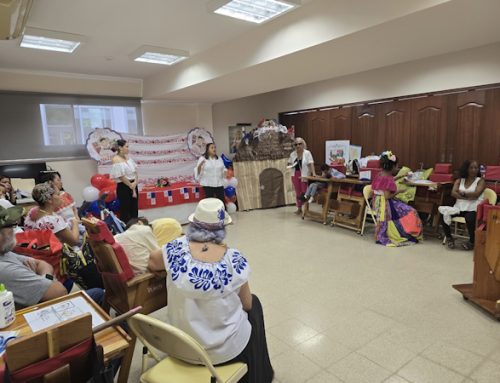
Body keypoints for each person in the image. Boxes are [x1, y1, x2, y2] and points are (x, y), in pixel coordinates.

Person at [148, 198, 273, 383]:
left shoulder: (173, 249)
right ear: (223, 228)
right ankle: (260, 375)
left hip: (179, 345)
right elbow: (246, 304)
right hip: (222, 354)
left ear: (193, 224)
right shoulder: (233, 259)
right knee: (255, 305)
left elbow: (152, 261)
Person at [0, 205, 103, 309]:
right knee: (98, 292)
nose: (14, 230)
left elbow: (43, 264)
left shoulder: (4, 252)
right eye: (11, 226)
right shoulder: (5, 270)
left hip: (44, 293)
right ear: (50, 200)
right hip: (40, 314)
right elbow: (60, 292)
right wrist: (75, 223)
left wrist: (43, 277)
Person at [24, 182, 103, 290]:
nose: (61, 196)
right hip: (64, 263)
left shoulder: (33, 214)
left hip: (47, 260)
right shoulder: (52, 220)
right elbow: (74, 241)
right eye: (58, 194)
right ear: (49, 200)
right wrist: (75, 222)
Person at [371, 151, 423, 247]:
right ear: (393, 167)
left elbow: (387, 182)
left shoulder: (380, 174)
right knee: (411, 211)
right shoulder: (388, 178)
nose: (397, 168)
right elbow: (387, 196)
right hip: (384, 204)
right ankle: (406, 232)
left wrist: (401, 176)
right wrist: (399, 191)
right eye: (396, 166)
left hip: (377, 201)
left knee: (403, 207)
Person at [439, 160, 485, 250]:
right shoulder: (459, 180)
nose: (474, 170)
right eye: (471, 168)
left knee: (470, 219)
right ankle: (449, 238)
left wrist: (462, 194)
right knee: (443, 213)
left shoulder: (480, 181)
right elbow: (453, 193)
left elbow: (476, 194)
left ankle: (472, 241)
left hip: (473, 208)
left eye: (476, 168)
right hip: (459, 207)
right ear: (466, 169)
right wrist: (467, 197)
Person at [110, 139, 139, 224]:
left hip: (133, 184)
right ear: (120, 147)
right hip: (124, 186)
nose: (128, 148)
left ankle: (136, 226)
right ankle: (127, 228)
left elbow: (135, 172)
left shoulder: (128, 158)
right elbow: (121, 176)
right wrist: (130, 185)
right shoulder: (115, 159)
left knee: (134, 207)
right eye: (126, 146)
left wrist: (134, 183)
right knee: (125, 208)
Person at [288, 137, 315, 214]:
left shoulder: (307, 153)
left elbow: (311, 163)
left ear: (303, 144)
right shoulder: (292, 154)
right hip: (295, 174)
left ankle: (306, 209)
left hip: (304, 174)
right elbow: (289, 164)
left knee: (304, 192)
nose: (298, 146)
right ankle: (299, 208)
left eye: (300, 144)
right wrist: (291, 164)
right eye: (296, 144)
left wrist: (313, 173)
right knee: (298, 192)